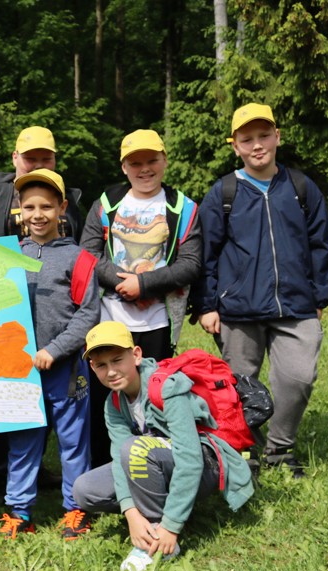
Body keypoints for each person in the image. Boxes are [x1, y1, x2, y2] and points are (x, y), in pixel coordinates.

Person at [196, 103, 328, 477]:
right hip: (238, 310)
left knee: (298, 377)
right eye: (247, 139)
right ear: (236, 146)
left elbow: (323, 243)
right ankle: (246, 451)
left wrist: (321, 295)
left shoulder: (300, 187)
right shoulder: (223, 193)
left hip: (297, 305)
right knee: (239, 387)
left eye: (264, 136)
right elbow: (206, 254)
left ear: (277, 136)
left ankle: (280, 447)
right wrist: (207, 305)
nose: (257, 145)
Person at [72, 322, 255, 571]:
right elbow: (117, 459)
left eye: (117, 360)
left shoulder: (166, 388)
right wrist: (131, 514)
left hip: (204, 466)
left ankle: (160, 538)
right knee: (84, 489)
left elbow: (191, 460)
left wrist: (171, 526)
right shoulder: (113, 403)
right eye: (102, 365)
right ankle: (151, 520)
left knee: (135, 449)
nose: (111, 371)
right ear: (92, 368)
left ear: (136, 355)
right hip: (159, 460)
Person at [80, 129, 202, 468]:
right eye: (135, 162)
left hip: (157, 323)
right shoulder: (106, 204)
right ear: (123, 167)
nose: (144, 169)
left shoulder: (183, 206)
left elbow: (191, 264)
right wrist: (125, 285)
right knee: (106, 400)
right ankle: (104, 471)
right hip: (109, 322)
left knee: (153, 398)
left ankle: (155, 467)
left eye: (152, 160)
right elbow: (88, 255)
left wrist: (145, 284)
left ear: (164, 161)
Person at [0, 169, 99, 540]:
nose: (37, 214)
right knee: (24, 441)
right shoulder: (8, 257)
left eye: (46, 206)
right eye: (29, 206)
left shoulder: (80, 258)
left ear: (62, 208)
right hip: (20, 373)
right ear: (18, 210)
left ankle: (76, 509)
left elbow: (88, 314)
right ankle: (19, 511)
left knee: (73, 441)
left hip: (67, 369)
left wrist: (54, 350)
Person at [0, 126, 84, 242]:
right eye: (30, 159)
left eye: (46, 159)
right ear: (15, 158)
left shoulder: (69, 197)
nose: (39, 165)